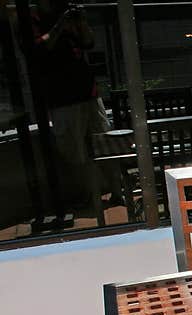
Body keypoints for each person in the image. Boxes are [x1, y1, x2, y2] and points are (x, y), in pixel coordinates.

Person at [29, 0, 122, 217]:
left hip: (87, 92)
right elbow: (40, 49)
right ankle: (88, 194)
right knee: (73, 149)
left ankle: (117, 190)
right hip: (62, 97)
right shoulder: (33, 18)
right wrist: (60, 25)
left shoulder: (67, 11)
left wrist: (80, 21)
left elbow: (88, 42)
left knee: (103, 141)